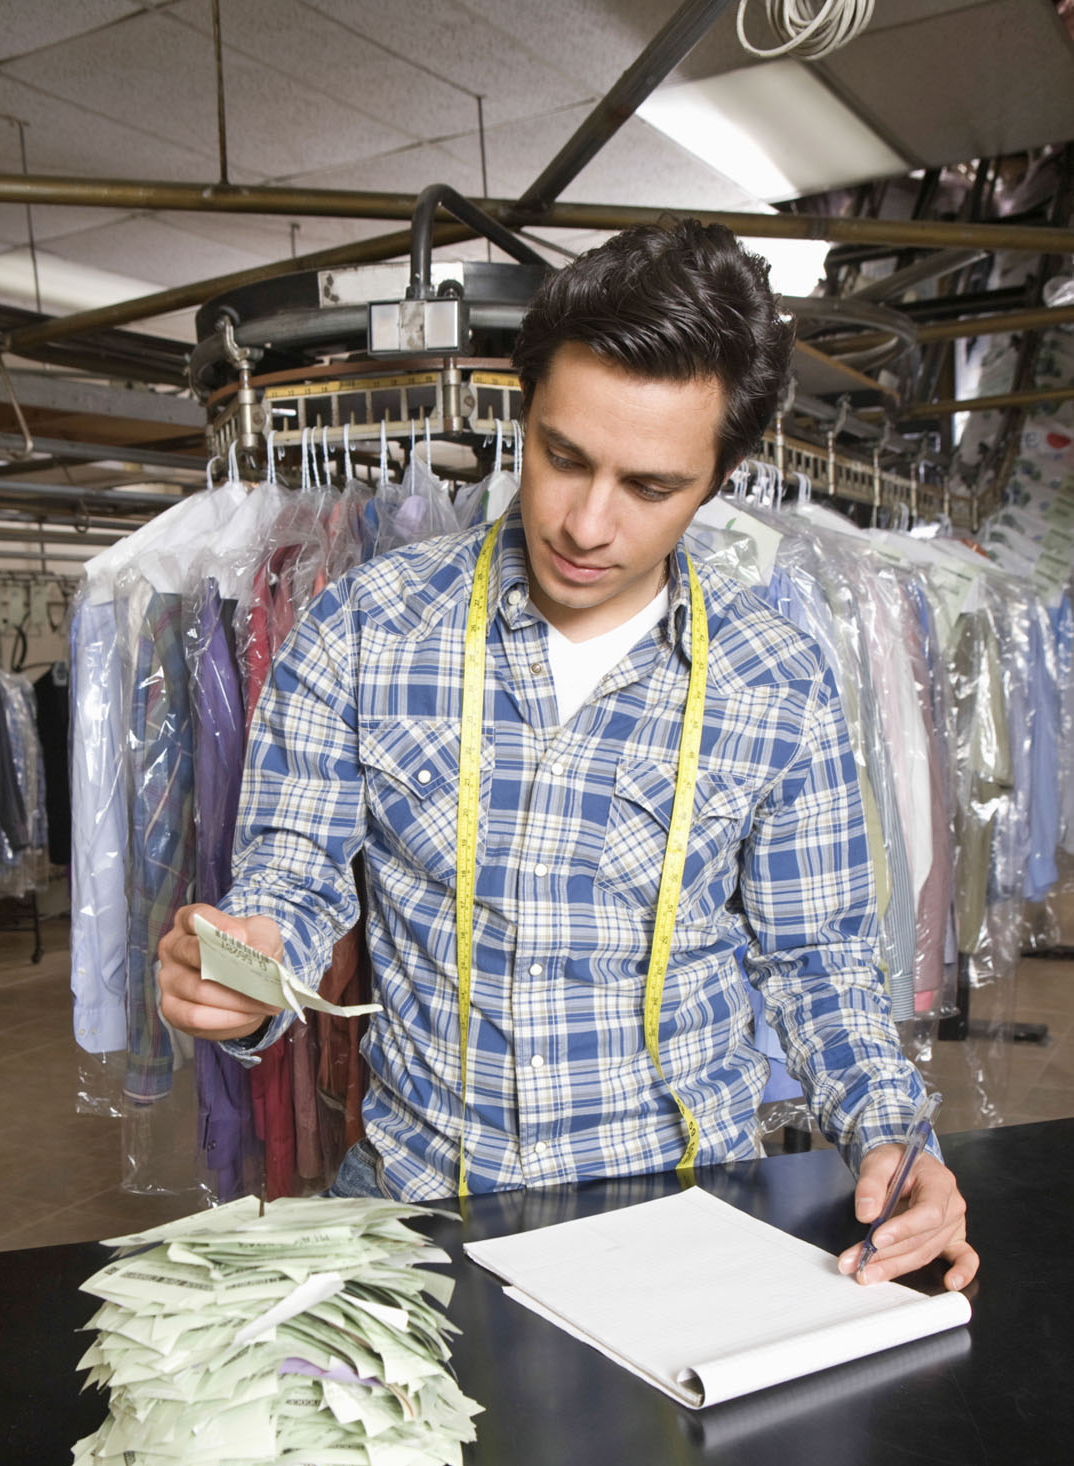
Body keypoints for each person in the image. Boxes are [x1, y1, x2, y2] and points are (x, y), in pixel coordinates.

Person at [158, 219, 977, 1292]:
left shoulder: (776, 676)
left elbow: (817, 957)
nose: (586, 524)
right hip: (418, 1209)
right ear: (521, 413)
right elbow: (292, 872)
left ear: (718, 478)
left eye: (647, 487)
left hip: (685, 1220)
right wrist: (249, 965)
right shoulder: (363, 625)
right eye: (561, 456)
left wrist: (889, 1131)